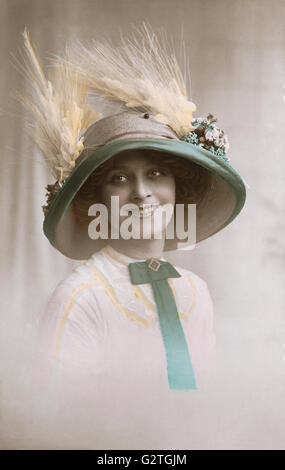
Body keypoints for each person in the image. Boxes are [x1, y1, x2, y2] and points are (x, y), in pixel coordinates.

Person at [20, 27, 246, 446]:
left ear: (179, 187)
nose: (142, 193)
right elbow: (51, 430)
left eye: (156, 173)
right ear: (96, 199)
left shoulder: (195, 293)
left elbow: (206, 412)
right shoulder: (82, 296)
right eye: (120, 178)